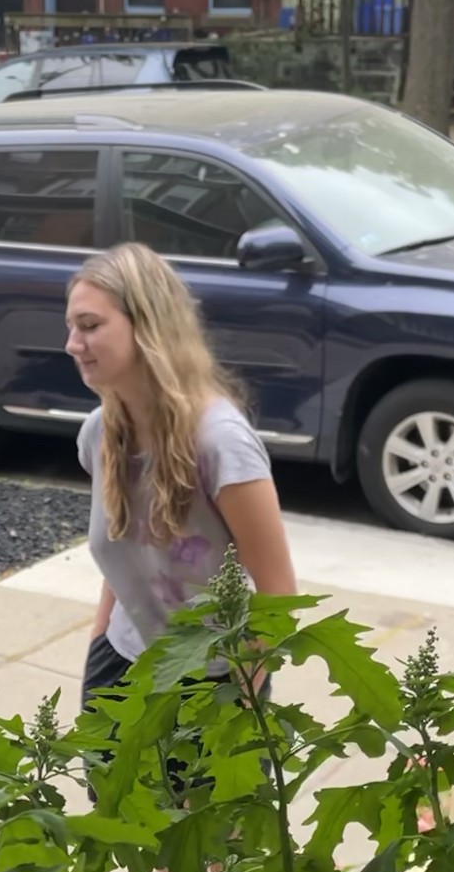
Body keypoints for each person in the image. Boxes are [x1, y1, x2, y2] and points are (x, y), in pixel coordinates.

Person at [66, 242, 298, 707]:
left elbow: (278, 595)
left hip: (212, 683)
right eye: (71, 327)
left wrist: (240, 702)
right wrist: (99, 648)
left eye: (89, 326)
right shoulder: (100, 435)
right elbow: (126, 560)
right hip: (120, 671)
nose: (73, 344)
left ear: (147, 326)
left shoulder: (220, 442)